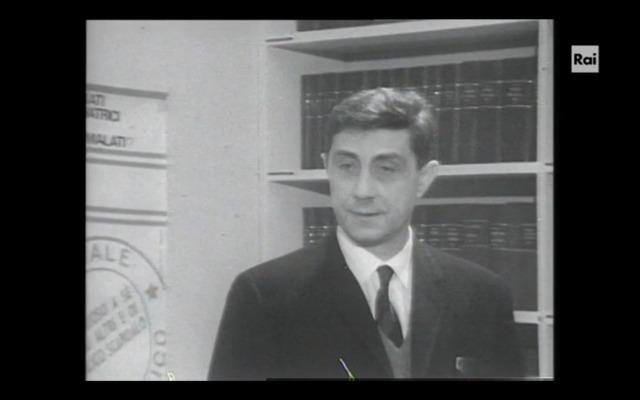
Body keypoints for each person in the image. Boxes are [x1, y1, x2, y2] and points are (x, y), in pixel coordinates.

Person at [208, 88, 524, 380]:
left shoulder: (482, 295)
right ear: (327, 168)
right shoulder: (264, 296)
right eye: (347, 167)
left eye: (386, 169)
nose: (362, 190)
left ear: (424, 179)